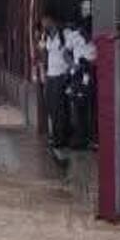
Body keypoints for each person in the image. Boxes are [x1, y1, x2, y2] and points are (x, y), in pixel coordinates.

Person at [64, 21, 97, 149]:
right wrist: (73, 65)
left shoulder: (96, 38)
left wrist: (90, 64)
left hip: (92, 74)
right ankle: (79, 137)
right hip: (77, 75)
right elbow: (65, 53)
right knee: (78, 106)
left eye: (87, 35)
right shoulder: (74, 36)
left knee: (91, 107)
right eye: (83, 34)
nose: (85, 37)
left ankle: (91, 138)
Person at [39, 14, 71, 149]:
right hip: (50, 75)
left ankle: (61, 138)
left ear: (52, 20)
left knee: (60, 108)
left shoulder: (65, 34)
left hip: (61, 74)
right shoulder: (45, 36)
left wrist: (70, 69)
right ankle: (56, 136)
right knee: (51, 107)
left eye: (45, 20)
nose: (44, 23)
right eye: (42, 22)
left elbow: (70, 52)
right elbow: (44, 54)